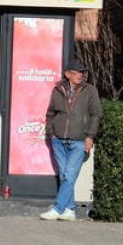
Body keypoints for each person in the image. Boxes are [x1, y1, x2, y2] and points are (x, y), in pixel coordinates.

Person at [41, 58, 102, 221]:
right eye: (77, 72)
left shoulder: (90, 91)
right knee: (64, 175)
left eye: (83, 72)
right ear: (68, 74)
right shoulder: (58, 90)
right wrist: (51, 133)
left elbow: (96, 115)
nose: (81, 75)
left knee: (68, 175)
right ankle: (70, 210)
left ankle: (58, 208)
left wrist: (90, 136)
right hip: (58, 139)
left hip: (79, 140)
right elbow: (50, 113)